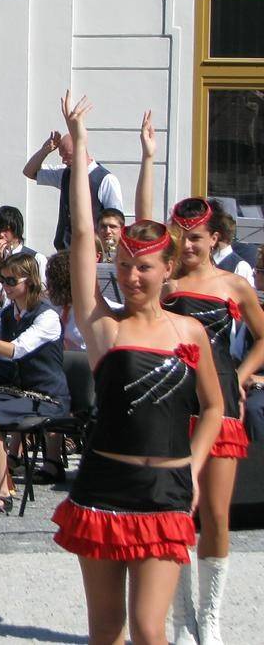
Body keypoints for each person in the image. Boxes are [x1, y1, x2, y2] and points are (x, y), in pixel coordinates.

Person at [51, 92, 222, 645]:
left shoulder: (189, 332)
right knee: (106, 631)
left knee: (150, 629)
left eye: (143, 267)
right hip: (104, 486)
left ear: (168, 268)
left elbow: (214, 408)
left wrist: (194, 465)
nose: (130, 277)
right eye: (123, 266)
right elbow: (82, 238)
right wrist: (80, 148)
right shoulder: (106, 328)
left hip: (167, 488)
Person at [134, 110, 264, 645]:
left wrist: (245, 375)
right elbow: (142, 225)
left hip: (222, 401)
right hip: (174, 401)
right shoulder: (166, 284)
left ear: (215, 238)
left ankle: (209, 618)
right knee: (176, 512)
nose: (187, 246)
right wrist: (148, 158)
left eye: (196, 239)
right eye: (181, 238)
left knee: (215, 511)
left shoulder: (235, 285)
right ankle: (182, 619)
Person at [0, 253, 70, 514]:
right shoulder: (9, 313)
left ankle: (2, 492)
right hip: (20, 393)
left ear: (29, 281)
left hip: (47, 397)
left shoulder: (47, 317)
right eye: (2, 279)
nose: (5, 285)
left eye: (11, 280)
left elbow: (16, 349)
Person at [23, 126, 124, 251]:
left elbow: (116, 220)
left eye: (68, 156)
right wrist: (45, 150)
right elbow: (29, 172)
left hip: (92, 251)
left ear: (81, 150)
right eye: (62, 156)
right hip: (65, 251)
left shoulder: (106, 179)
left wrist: (109, 251)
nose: (64, 161)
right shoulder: (64, 174)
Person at [0, 205, 48, 281]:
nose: (1, 235)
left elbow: (42, 286)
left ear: (16, 230)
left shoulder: (37, 258)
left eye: (5, 230)